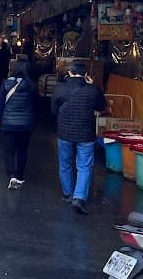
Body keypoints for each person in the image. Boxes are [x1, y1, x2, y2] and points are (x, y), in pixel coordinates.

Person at [51, 61, 107, 214]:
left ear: (69, 73)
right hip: (86, 134)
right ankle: (79, 198)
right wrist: (93, 85)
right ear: (85, 75)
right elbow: (102, 107)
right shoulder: (93, 90)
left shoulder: (59, 89)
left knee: (65, 164)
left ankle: (67, 194)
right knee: (84, 166)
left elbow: (53, 109)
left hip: (64, 133)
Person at [0, 60, 36, 190]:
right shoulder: (32, 86)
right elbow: (37, 105)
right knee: (22, 150)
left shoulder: (6, 83)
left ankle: (12, 176)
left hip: (8, 123)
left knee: (9, 151)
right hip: (26, 124)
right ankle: (20, 176)